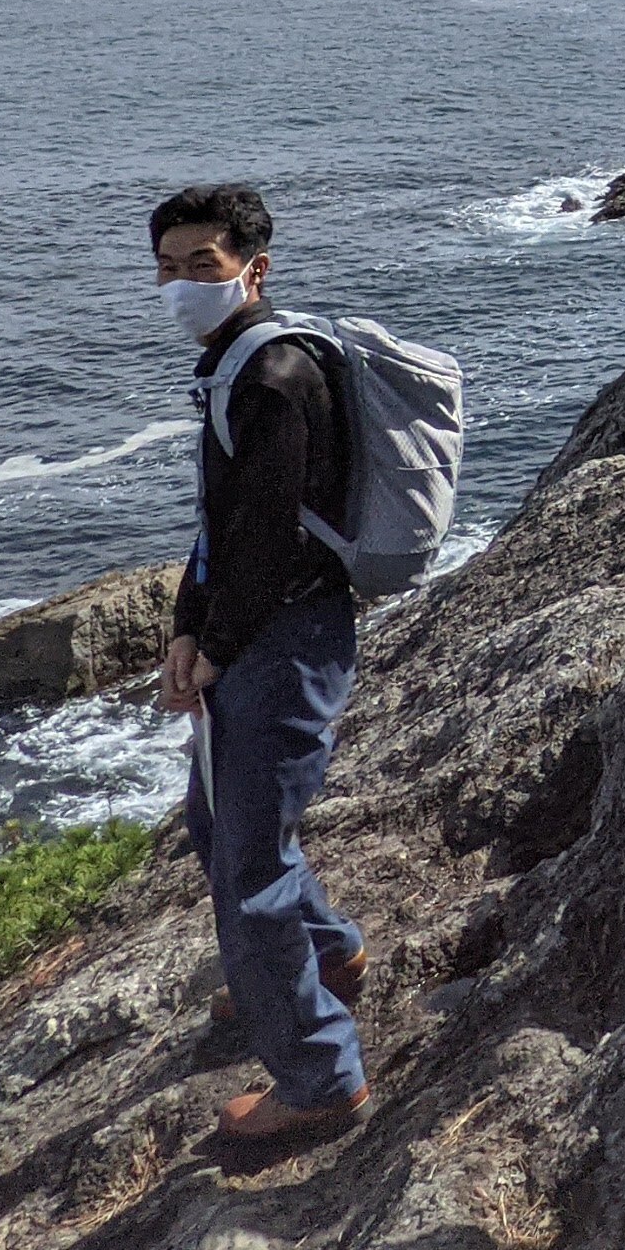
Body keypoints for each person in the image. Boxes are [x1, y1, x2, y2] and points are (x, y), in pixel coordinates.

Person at [149, 182, 369, 1150]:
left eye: (204, 264)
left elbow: (267, 542)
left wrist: (217, 649)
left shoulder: (272, 376)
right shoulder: (233, 364)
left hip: (289, 638)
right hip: (257, 632)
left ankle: (319, 1078)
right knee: (220, 821)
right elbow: (218, 528)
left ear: (253, 269)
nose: (183, 283)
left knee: (249, 864)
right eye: (168, 266)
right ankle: (331, 955)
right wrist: (184, 629)